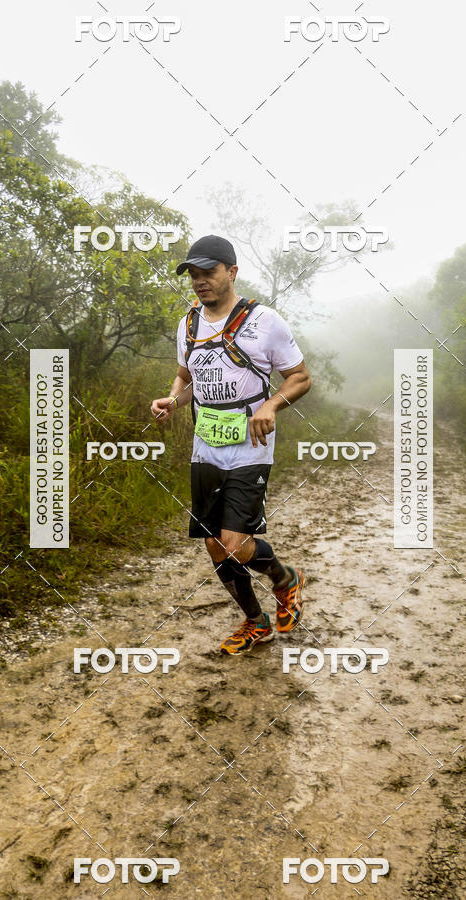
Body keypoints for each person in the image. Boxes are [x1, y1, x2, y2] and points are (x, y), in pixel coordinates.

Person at [150, 235, 312, 654]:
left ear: (232, 272)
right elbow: (186, 380)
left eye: (209, 273)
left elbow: (300, 377)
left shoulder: (265, 322)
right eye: (194, 275)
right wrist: (172, 400)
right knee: (212, 542)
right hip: (206, 447)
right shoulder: (187, 325)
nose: (200, 282)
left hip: (250, 448)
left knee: (236, 545)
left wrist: (271, 406)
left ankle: (284, 578)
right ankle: (255, 623)